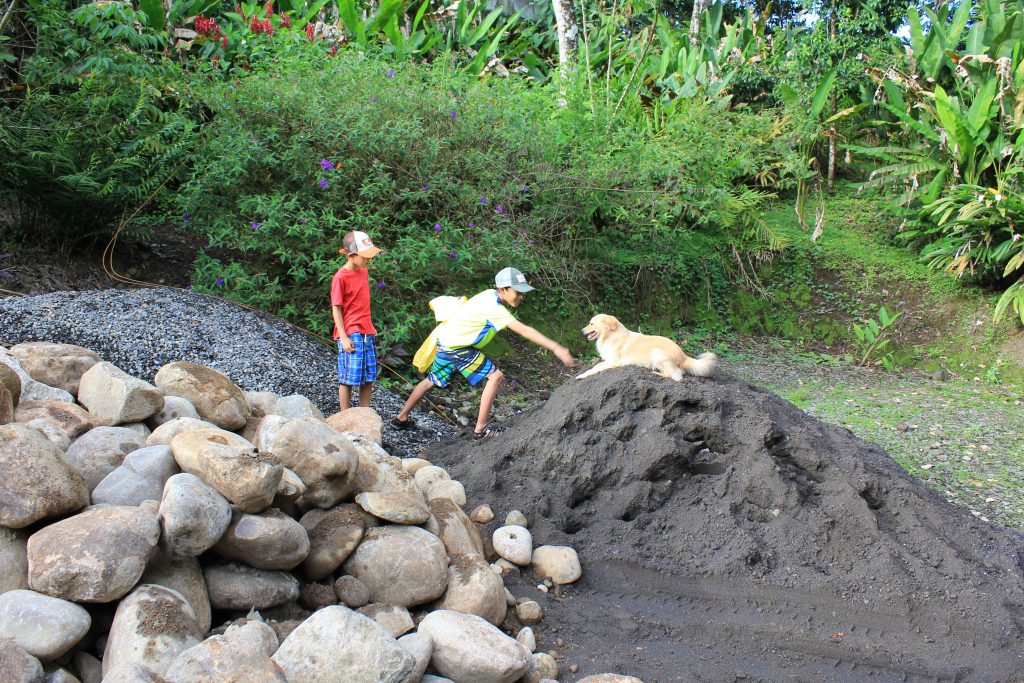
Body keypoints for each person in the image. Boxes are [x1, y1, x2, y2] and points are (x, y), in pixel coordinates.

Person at [393, 267, 575, 439]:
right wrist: (556, 348)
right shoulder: (494, 308)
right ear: (503, 289)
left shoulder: (489, 294)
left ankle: (400, 418)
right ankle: (481, 429)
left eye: (523, 292)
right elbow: (524, 330)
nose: (521, 296)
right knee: (495, 376)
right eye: (517, 292)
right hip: (458, 348)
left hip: (446, 341)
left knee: (431, 380)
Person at [331, 230, 382, 410]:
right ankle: (345, 415)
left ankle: (364, 412)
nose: (369, 259)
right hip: (351, 331)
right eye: (365, 256)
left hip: (366, 330)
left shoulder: (364, 272)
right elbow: (336, 307)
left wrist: (370, 325)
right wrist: (343, 337)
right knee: (348, 377)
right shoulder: (341, 277)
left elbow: (361, 301)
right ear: (352, 256)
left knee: (368, 376)